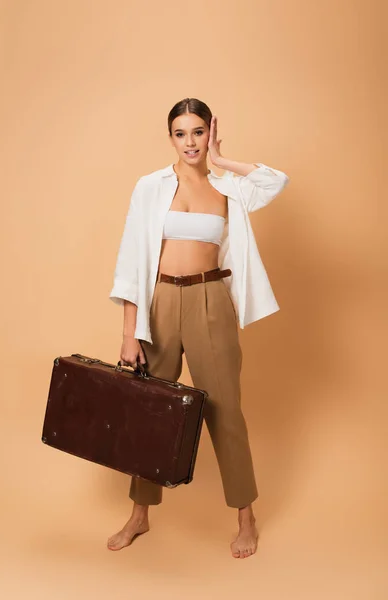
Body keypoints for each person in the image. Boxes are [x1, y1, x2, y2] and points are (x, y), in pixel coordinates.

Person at [107, 97, 290, 558]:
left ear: (210, 132)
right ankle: (140, 515)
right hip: (161, 301)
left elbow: (275, 180)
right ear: (170, 137)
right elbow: (132, 259)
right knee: (151, 409)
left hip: (212, 300)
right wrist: (130, 333)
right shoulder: (150, 187)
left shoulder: (229, 188)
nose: (191, 142)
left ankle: (246, 518)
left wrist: (223, 159)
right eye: (181, 133)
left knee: (226, 411)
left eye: (198, 132)